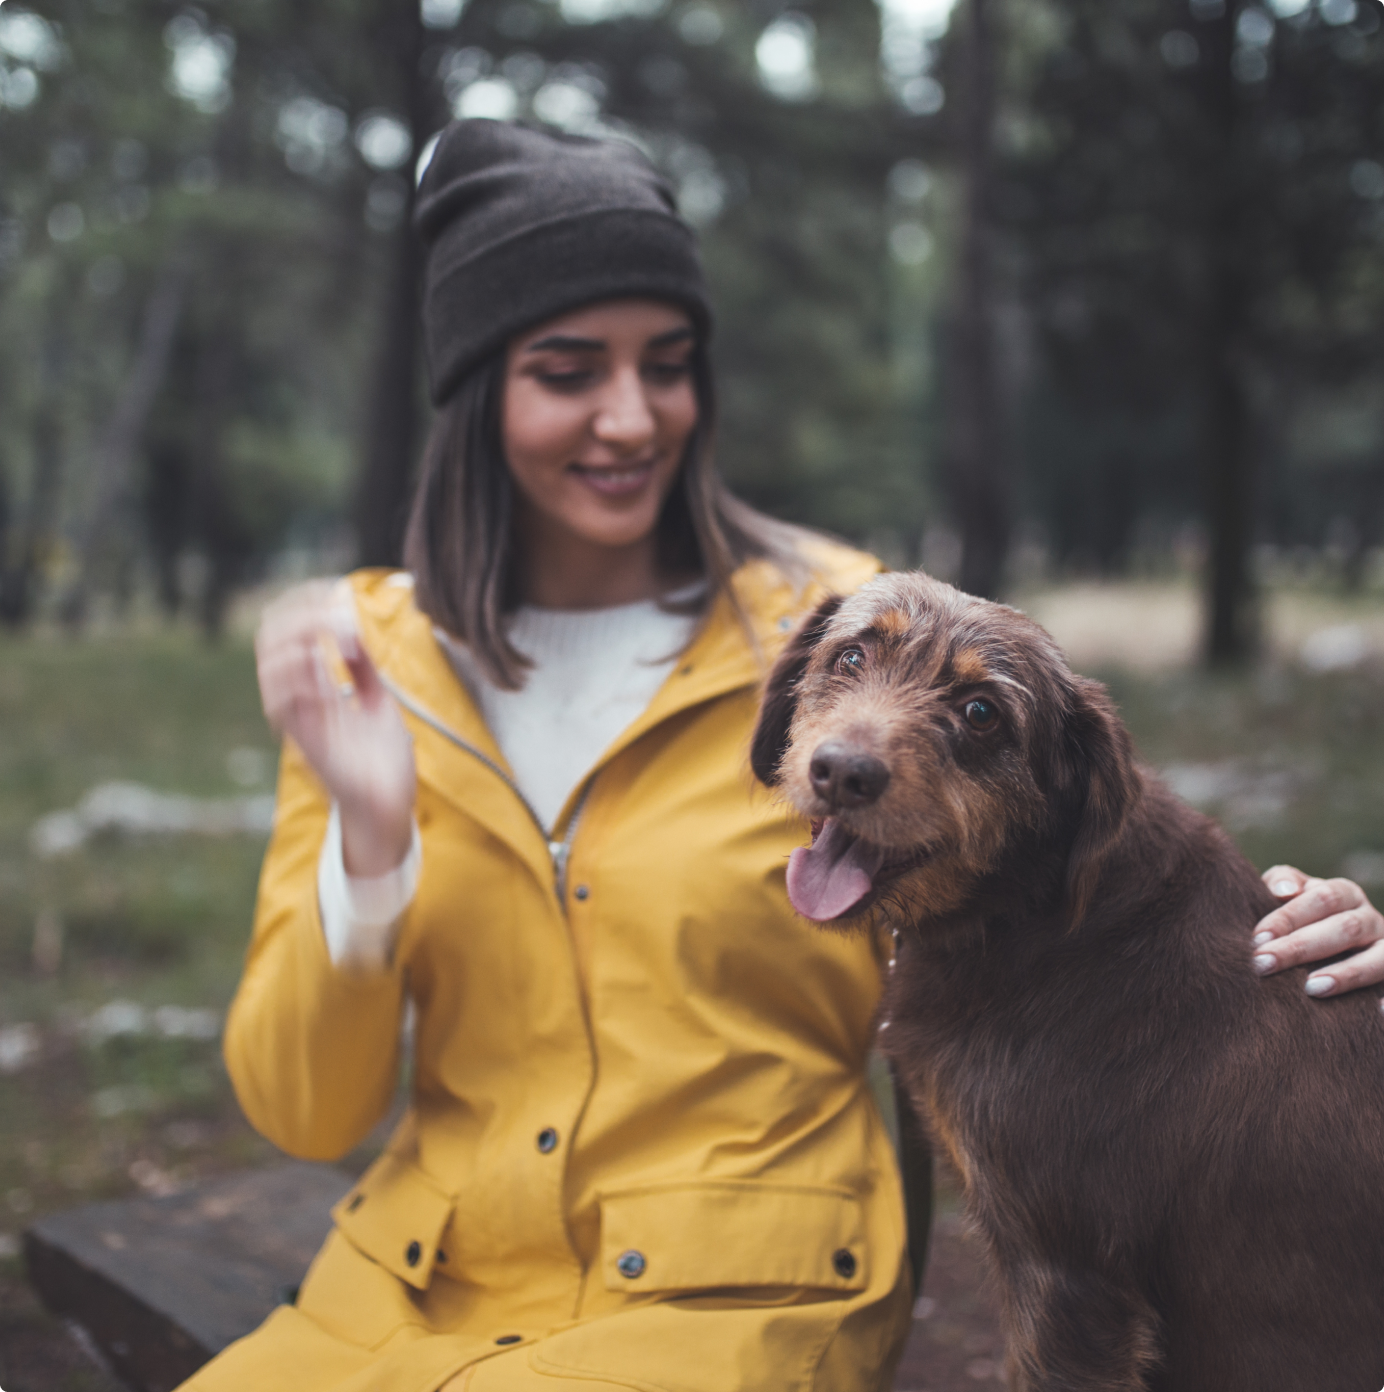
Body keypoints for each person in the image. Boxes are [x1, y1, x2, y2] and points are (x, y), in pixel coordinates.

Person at [183, 119, 1384, 1392]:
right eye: (568, 367)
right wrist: (369, 847)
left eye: (670, 362)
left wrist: (1317, 965)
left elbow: (1081, 904)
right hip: (409, 1288)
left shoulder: (832, 614)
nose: (631, 417)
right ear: (478, 387)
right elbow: (302, 1112)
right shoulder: (366, 663)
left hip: (731, 1288)